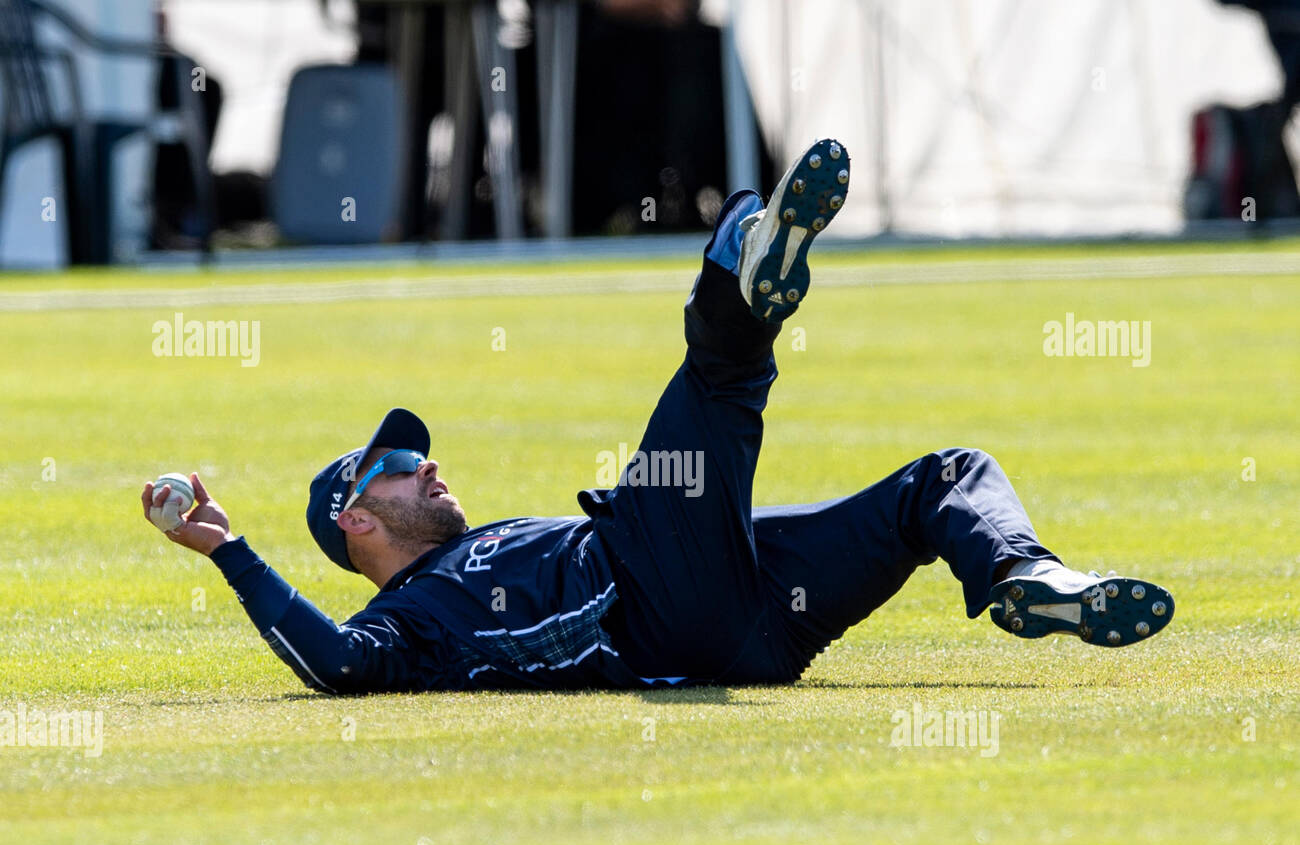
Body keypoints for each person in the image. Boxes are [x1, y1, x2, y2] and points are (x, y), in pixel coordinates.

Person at [140, 139, 1174, 695]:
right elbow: (333, 665)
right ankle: (742, 261)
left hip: (752, 630)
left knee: (941, 480)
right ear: (356, 522)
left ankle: (1024, 578)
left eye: (415, 451)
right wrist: (229, 550)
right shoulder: (403, 625)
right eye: (399, 465)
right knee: (711, 396)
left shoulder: (477, 547)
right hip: (654, 600)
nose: (426, 463)